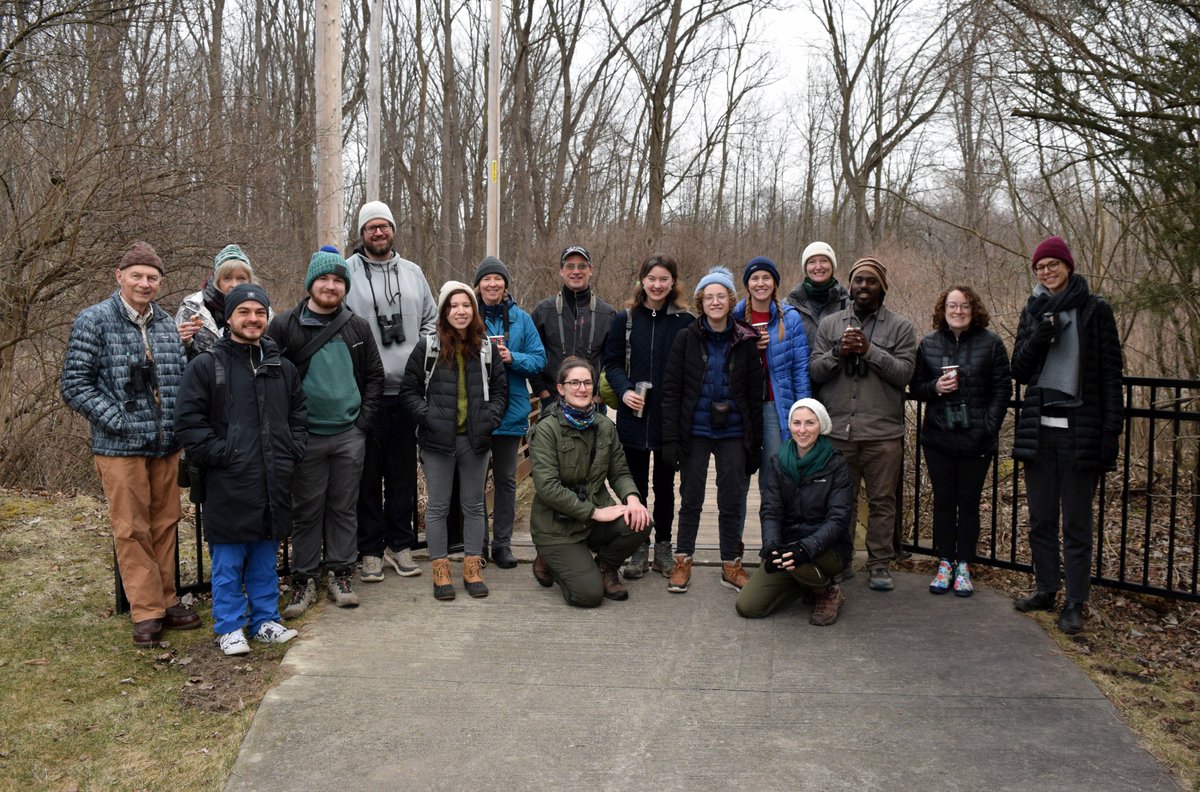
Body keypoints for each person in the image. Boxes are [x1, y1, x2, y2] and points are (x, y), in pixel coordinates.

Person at [61, 241, 201, 647]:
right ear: (119, 277)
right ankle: (147, 611)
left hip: (165, 443)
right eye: (137, 275)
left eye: (152, 277)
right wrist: (118, 420)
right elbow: (75, 385)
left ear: (160, 283)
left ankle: (168, 600)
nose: (144, 283)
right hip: (119, 446)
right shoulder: (94, 321)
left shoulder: (165, 325)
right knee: (131, 527)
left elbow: (177, 380)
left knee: (165, 523)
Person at [175, 284, 308, 656]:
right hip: (228, 481)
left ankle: (265, 619)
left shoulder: (282, 367)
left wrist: (291, 452)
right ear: (229, 318)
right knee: (229, 561)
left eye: (260, 313)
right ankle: (230, 626)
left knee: (265, 558)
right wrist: (225, 454)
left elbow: (299, 416)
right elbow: (189, 424)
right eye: (245, 312)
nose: (253, 319)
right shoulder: (206, 366)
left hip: (273, 478)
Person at [1011, 236, 1123, 634]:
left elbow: (1111, 375)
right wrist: (1039, 337)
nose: (1047, 271)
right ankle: (1045, 589)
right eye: (1040, 266)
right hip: (1039, 431)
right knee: (1041, 519)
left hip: (1081, 430)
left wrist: (1111, 432)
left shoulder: (1095, 311)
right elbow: (1020, 371)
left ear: (1068, 266)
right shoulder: (1033, 309)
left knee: (1076, 522)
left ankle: (1075, 601)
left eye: (1053, 264)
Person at [267, 248, 385, 617]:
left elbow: (374, 378)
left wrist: (361, 424)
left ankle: (340, 573)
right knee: (306, 510)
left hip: (349, 434)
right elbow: (271, 379)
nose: (330, 286)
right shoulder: (285, 326)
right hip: (306, 436)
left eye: (337, 280)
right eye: (324, 279)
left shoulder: (357, 326)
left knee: (343, 508)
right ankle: (303, 580)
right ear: (310, 284)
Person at [809, 257, 917, 592]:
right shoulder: (830, 324)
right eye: (858, 281)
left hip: (883, 432)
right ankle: (841, 559)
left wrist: (870, 351)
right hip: (839, 430)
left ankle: (879, 563)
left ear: (882, 287)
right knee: (841, 500)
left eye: (871, 281)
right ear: (850, 285)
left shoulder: (900, 327)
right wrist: (837, 353)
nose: (864, 287)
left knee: (883, 500)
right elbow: (814, 371)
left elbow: (904, 374)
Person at [343, 201, 437, 582]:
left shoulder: (414, 273)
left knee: (402, 475)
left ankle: (400, 544)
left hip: (408, 392)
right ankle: (369, 549)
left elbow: (432, 319)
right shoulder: (347, 273)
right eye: (371, 228)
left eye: (384, 226)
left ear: (393, 230)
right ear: (362, 233)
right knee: (367, 474)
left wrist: (421, 356)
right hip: (366, 392)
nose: (378, 233)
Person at [398, 282, 507, 600]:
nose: (460, 311)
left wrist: (490, 420)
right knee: (438, 507)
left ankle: (472, 569)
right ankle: (441, 570)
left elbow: (501, 391)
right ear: (444, 311)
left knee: (474, 506)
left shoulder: (485, 348)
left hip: (475, 440)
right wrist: (428, 416)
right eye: (453, 305)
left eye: (466, 305)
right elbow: (409, 390)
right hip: (437, 442)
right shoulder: (428, 346)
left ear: (474, 311)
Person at [661, 266, 764, 594]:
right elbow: (672, 391)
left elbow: (754, 394)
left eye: (721, 296)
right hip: (696, 430)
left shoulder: (745, 338)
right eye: (709, 297)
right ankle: (683, 560)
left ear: (731, 300)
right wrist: (671, 438)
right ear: (700, 301)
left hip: (733, 431)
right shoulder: (686, 337)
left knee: (731, 498)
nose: (715, 302)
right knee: (690, 497)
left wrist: (755, 444)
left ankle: (730, 565)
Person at [910, 286, 1011, 597]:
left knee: (968, 504)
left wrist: (988, 427)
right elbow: (915, 387)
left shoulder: (991, 343)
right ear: (943, 310)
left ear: (973, 309)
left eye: (964, 305)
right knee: (943, 503)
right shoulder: (928, 343)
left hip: (976, 440)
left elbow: (1002, 389)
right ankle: (944, 563)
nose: (958, 311)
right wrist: (936, 387)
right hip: (938, 437)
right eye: (952, 306)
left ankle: (964, 565)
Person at [528, 357, 651, 607]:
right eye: (574, 383)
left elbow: (620, 472)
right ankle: (549, 558)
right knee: (589, 596)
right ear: (561, 388)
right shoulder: (546, 429)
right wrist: (595, 512)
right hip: (557, 527)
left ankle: (605, 566)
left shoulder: (605, 426)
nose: (582, 389)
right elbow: (547, 488)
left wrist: (633, 499)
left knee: (640, 521)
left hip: (592, 520)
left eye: (587, 382)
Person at [603, 254, 695, 580]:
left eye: (664, 279)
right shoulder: (624, 319)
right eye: (651, 278)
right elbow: (611, 363)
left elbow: (693, 370)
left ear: (673, 283)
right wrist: (625, 389)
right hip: (633, 415)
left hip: (669, 419)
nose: (657, 285)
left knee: (666, 486)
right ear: (642, 280)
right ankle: (639, 546)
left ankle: (664, 547)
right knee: (636, 485)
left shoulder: (685, 322)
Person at [735, 399, 854, 625]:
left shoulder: (836, 465)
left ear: (821, 426)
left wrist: (804, 548)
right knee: (748, 606)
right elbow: (771, 511)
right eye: (796, 423)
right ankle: (805, 583)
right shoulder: (777, 463)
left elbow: (838, 520)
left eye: (809, 423)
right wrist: (771, 546)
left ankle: (828, 590)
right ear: (789, 426)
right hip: (789, 545)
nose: (802, 430)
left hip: (827, 548)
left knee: (797, 561)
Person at [474, 256, 546, 569]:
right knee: (474, 482)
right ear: (477, 285)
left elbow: (538, 361)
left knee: (505, 481)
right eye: (486, 279)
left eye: (497, 279)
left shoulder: (522, 320)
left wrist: (510, 357)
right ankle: (477, 544)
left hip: (511, 412)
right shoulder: (466, 314)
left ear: (505, 284)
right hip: (474, 412)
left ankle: (502, 545)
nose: (492, 284)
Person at [735, 255, 811, 464]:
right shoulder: (735, 316)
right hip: (741, 405)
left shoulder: (790, 318)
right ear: (747, 284)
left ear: (775, 282)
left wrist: (804, 409)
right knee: (738, 472)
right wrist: (749, 348)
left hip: (775, 405)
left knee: (775, 470)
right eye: (755, 278)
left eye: (766, 277)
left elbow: (800, 369)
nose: (761, 283)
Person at [530, 245, 615, 413]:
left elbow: (613, 360)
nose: (576, 271)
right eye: (570, 266)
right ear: (561, 271)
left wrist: (599, 396)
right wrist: (543, 392)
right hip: (553, 402)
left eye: (582, 266)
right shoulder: (544, 311)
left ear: (591, 270)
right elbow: (532, 354)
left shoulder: (607, 313)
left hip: (593, 404)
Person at [175, 244, 259, 359]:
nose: (234, 285)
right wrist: (184, 342)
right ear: (217, 280)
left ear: (250, 281)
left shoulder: (262, 313)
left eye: (241, 278)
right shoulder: (192, 308)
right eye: (227, 278)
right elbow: (176, 360)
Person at [785, 241, 850, 347]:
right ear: (806, 268)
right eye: (812, 262)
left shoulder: (848, 303)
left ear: (832, 266)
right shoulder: (790, 304)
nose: (818, 267)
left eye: (824, 261)